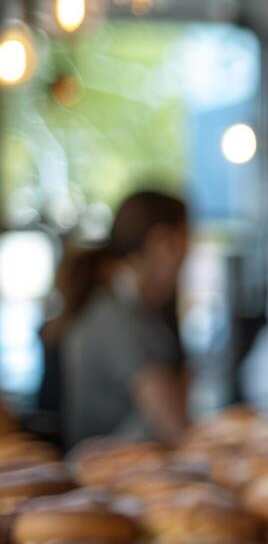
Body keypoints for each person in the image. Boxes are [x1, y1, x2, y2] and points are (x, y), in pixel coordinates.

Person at [51, 190, 191, 445]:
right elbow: (175, 427)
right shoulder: (116, 317)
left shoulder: (131, 308)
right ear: (161, 243)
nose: (189, 257)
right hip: (112, 476)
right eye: (186, 240)